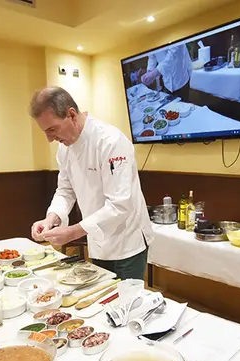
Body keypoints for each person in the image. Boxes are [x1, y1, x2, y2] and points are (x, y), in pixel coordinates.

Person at [29, 87, 154, 280]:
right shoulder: (65, 148)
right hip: (96, 239)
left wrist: (73, 232)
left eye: (52, 129)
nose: (50, 139)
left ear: (71, 114)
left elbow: (119, 205)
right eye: (45, 132)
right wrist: (51, 219)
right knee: (103, 293)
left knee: (126, 297)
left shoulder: (110, 141)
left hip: (127, 241)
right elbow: (65, 190)